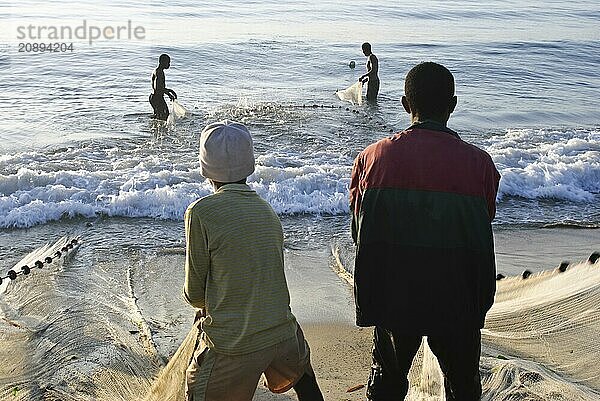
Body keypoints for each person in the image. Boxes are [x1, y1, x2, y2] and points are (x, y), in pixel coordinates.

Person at [349, 62, 500, 400]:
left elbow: (358, 228)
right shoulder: (480, 164)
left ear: (405, 104)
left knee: (387, 382)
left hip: (394, 296)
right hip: (458, 296)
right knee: (463, 385)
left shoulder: (371, 159)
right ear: (453, 104)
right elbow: (481, 219)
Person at [183, 121, 324, 401]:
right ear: (250, 164)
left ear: (205, 168)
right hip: (283, 332)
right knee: (305, 379)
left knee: (195, 389)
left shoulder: (200, 213)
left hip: (234, 344)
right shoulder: (266, 210)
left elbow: (194, 294)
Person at [149, 54, 177, 120]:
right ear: (162, 62)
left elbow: (159, 87)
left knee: (158, 115)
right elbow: (157, 88)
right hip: (157, 98)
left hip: (153, 97)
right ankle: (158, 129)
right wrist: (168, 93)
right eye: (168, 62)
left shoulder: (157, 71)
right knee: (165, 115)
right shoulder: (159, 72)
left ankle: (154, 128)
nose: (169, 64)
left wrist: (169, 91)